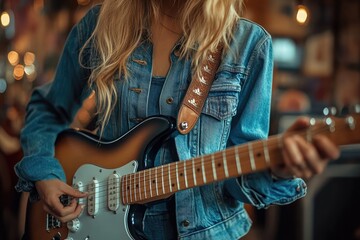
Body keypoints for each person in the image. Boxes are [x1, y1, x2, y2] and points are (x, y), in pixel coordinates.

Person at [14, 0, 340, 239]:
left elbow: (237, 178)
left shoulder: (248, 45)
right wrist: (44, 172)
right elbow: (47, 109)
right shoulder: (99, 25)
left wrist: (278, 167)